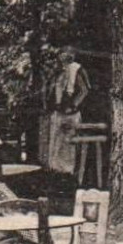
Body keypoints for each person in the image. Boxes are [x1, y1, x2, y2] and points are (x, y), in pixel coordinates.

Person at [42, 45, 91, 174]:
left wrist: (74, 105)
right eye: (62, 54)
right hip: (57, 111)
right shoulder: (57, 70)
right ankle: (54, 170)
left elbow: (84, 90)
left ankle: (68, 172)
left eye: (67, 54)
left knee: (68, 143)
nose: (63, 57)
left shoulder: (77, 69)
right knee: (55, 143)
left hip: (70, 113)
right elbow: (52, 88)